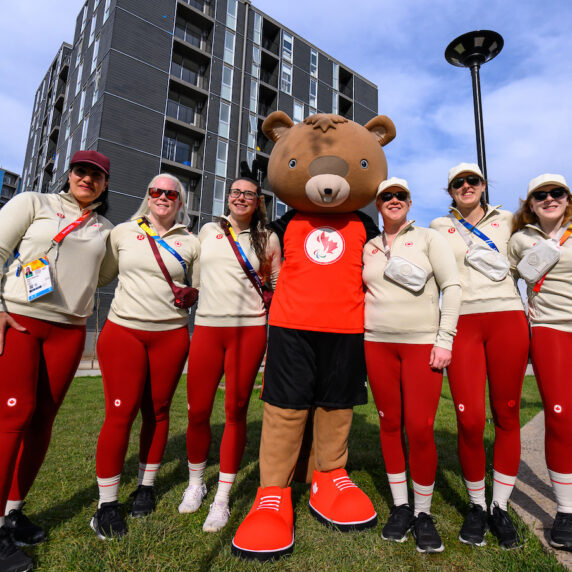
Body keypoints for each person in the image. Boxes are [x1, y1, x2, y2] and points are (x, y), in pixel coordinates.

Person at [0, 150, 113, 572]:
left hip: (68, 330)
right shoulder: (34, 203)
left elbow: (103, 274)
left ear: (104, 184)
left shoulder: (105, 228)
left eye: (97, 175)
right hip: (21, 319)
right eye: (81, 171)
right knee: (14, 415)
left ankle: (12, 513)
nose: (88, 179)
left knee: (43, 420)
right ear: (69, 175)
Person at [90, 173, 200, 539]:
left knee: (158, 411)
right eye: (156, 191)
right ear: (147, 195)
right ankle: (106, 505)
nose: (163, 197)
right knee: (120, 413)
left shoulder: (191, 242)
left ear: (180, 201)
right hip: (124, 332)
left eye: (171, 193)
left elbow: (198, 287)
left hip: (170, 335)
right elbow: (102, 276)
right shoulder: (122, 232)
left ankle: (146, 487)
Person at [430, 163, 529, 549]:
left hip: (507, 319)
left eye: (473, 181)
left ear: (483, 185)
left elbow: (536, 257)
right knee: (469, 420)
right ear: (450, 190)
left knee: (506, 414)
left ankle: (499, 507)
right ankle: (475, 505)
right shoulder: (439, 227)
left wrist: (535, 298)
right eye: (459, 183)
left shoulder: (509, 219)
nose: (466, 186)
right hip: (463, 324)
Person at [178, 173, 281, 533]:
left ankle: (221, 499)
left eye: (248, 194)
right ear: (228, 197)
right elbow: (189, 270)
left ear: (258, 202)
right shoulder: (208, 231)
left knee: (236, 410)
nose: (240, 198)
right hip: (206, 328)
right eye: (235, 192)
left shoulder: (268, 239)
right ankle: (196, 484)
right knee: (197, 411)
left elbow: (275, 284)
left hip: (248, 331)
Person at [363, 178, 461, 553]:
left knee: (419, 429)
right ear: (377, 203)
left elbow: (452, 285)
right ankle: (401, 507)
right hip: (377, 344)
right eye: (386, 196)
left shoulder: (428, 238)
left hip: (422, 345)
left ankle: (423, 512)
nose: (393, 200)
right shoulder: (369, 247)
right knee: (389, 425)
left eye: (400, 195)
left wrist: (444, 338)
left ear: (409, 201)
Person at [508, 173, 572, 552]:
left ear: (567, 198)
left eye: (557, 192)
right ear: (530, 204)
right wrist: (521, 316)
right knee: (561, 415)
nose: (550, 198)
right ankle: (565, 510)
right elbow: (504, 279)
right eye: (541, 195)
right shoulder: (520, 240)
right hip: (549, 330)